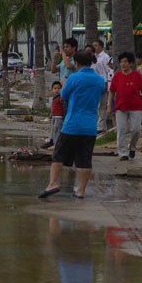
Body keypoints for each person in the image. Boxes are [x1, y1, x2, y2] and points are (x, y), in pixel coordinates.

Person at [38, 51, 106, 200]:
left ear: (77, 63)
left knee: (58, 155)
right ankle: (81, 191)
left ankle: (53, 183)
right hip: (90, 127)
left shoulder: (74, 78)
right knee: (85, 159)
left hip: (72, 125)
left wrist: (64, 85)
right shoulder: (100, 80)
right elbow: (101, 94)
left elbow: (63, 96)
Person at [107, 52, 142, 160]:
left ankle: (132, 147)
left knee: (136, 130)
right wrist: (109, 106)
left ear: (130, 63)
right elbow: (111, 92)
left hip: (136, 107)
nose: (123, 64)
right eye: (121, 62)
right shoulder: (117, 76)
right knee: (121, 130)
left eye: (125, 61)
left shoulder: (137, 75)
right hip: (120, 107)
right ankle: (123, 153)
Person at [93, 39, 112, 132]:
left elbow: (107, 71)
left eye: (96, 45)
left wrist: (106, 83)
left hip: (103, 83)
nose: (94, 48)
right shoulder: (94, 57)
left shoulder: (105, 57)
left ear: (101, 46)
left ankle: (101, 126)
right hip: (95, 83)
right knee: (97, 105)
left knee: (102, 105)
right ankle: (96, 124)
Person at [41, 81, 65, 149]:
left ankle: (57, 144)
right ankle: (52, 141)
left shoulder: (61, 98)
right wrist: (51, 114)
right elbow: (53, 107)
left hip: (59, 117)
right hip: (54, 117)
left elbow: (64, 107)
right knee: (53, 130)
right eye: (55, 88)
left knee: (57, 130)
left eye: (59, 88)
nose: (57, 90)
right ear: (52, 89)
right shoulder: (54, 98)